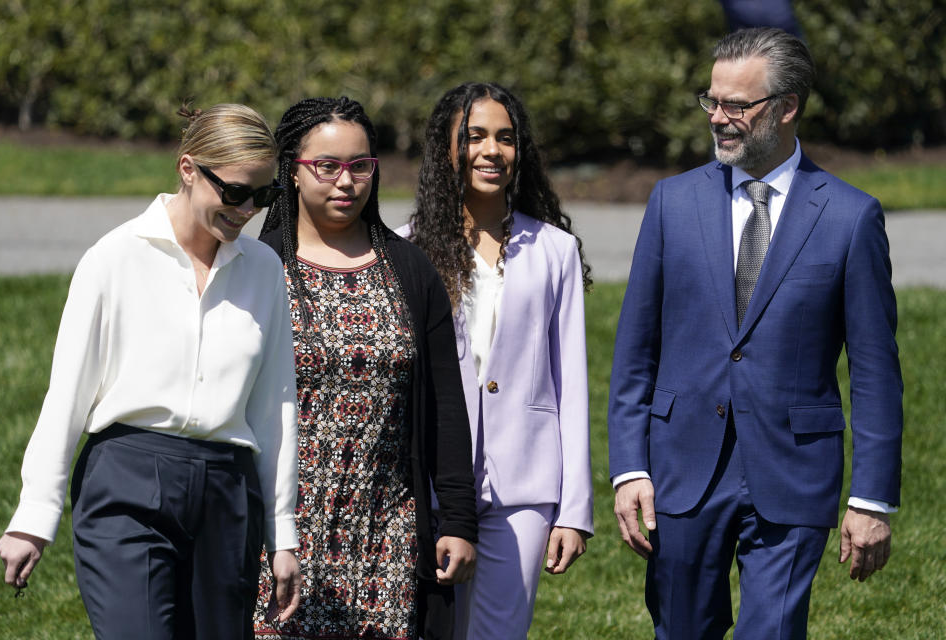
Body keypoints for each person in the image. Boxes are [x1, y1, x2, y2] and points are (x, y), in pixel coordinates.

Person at [608, 27, 903, 639]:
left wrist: (871, 499)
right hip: (682, 467)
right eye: (711, 101)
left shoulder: (851, 217)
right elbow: (636, 351)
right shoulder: (671, 202)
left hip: (794, 471)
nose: (718, 117)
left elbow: (875, 372)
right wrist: (629, 467)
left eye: (736, 105)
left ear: (787, 107)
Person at [0, 103, 302, 638]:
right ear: (188, 169)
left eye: (263, 195)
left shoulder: (264, 270)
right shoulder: (114, 258)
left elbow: (275, 406)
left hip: (227, 493)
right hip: (125, 481)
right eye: (233, 192)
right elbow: (66, 392)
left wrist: (282, 532)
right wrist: (34, 516)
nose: (247, 209)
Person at [253, 96, 478, 640]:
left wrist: (458, 520)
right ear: (291, 172)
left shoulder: (410, 270)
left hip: (385, 528)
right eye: (326, 167)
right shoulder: (256, 267)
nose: (346, 181)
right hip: (278, 531)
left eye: (361, 166)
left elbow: (445, 406)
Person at [404, 82, 594, 640]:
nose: (492, 150)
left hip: (526, 486)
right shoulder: (406, 248)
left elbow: (573, 384)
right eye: (475, 137)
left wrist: (573, 509)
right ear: (447, 149)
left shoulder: (554, 250)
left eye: (505, 138)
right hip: (434, 485)